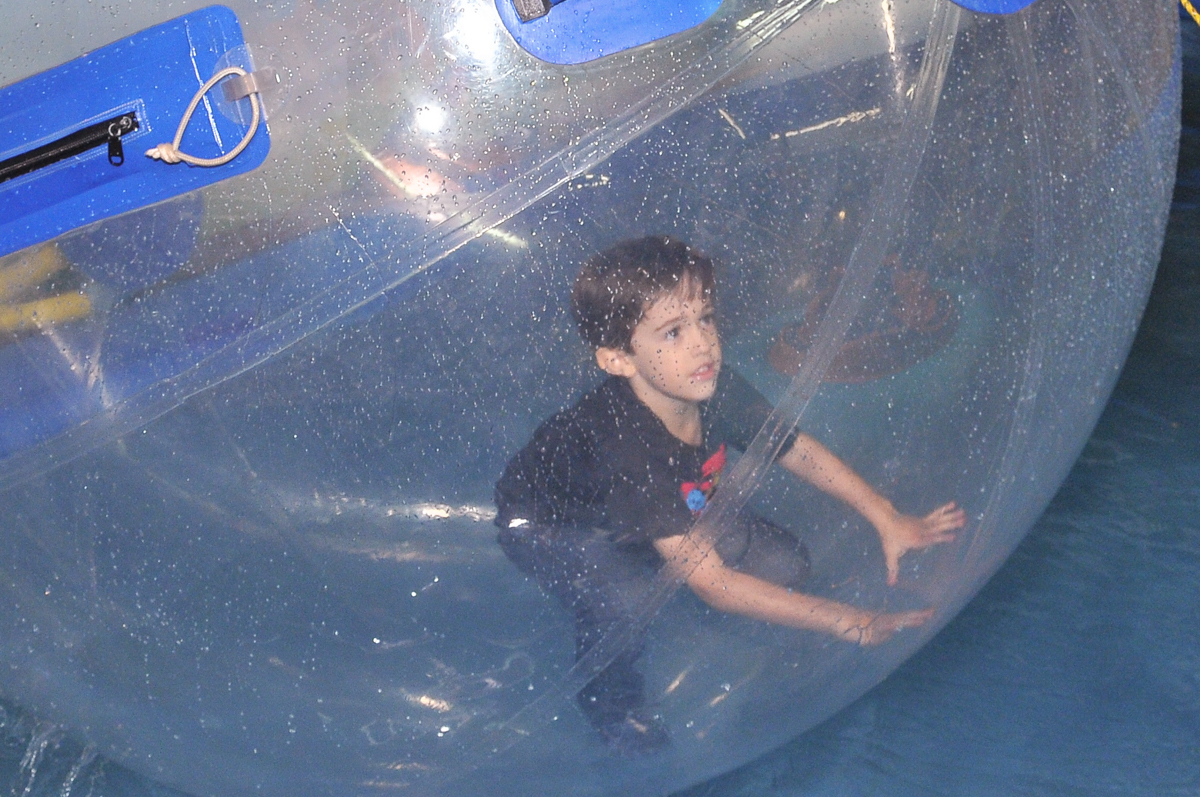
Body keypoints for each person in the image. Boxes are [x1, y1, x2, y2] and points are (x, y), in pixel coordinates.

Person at [494, 236, 965, 754]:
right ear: (618, 359)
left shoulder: (708, 384)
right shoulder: (628, 451)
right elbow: (716, 585)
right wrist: (846, 620)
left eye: (706, 319)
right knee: (621, 603)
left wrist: (886, 515)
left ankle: (664, 548)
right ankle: (612, 705)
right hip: (555, 523)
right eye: (673, 332)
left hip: (654, 497)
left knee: (785, 566)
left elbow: (795, 449)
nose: (702, 344)